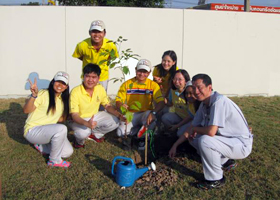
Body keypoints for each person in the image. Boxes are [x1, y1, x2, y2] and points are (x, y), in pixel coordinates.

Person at [169, 74, 253, 190]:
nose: (196, 91)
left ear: (209, 87)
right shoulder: (204, 104)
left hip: (240, 144)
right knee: (194, 138)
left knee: (205, 140)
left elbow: (211, 132)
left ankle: (216, 179)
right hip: (227, 140)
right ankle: (224, 161)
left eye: (199, 87)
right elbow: (192, 127)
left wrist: (194, 129)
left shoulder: (219, 101)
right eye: (194, 88)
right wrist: (175, 145)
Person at [23, 71, 73, 168]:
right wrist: (33, 96)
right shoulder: (43, 94)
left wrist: (74, 116)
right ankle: (54, 161)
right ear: (53, 82)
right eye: (58, 81)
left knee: (68, 152)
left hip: (47, 131)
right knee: (62, 129)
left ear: (66, 87)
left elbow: (59, 119)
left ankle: (41, 146)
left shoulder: (62, 101)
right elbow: (26, 110)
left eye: (63, 83)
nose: (60, 85)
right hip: (32, 131)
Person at [69, 63, 126, 148]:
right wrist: (86, 123)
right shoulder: (75, 91)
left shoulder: (99, 88)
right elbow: (74, 115)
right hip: (79, 119)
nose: (90, 80)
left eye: (94, 77)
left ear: (98, 78)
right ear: (83, 76)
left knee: (115, 121)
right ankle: (79, 142)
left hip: (94, 115)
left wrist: (119, 115)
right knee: (83, 133)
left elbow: (107, 105)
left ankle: (95, 134)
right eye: (88, 76)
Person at [115, 59, 165, 150]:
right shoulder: (127, 84)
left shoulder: (153, 85)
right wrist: (121, 105)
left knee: (151, 119)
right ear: (135, 70)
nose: (142, 74)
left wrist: (153, 113)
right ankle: (136, 132)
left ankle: (143, 139)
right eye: (140, 71)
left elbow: (161, 102)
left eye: (145, 71)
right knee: (120, 132)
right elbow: (118, 100)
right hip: (131, 114)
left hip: (145, 114)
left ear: (149, 73)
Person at [72, 20, 118, 91]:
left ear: (104, 33)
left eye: (99, 32)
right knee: (86, 97)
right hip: (87, 76)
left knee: (101, 99)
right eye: (94, 32)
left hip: (102, 77)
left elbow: (112, 57)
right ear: (89, 33)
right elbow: (79, 56)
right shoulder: (82, 45)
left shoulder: (111, 45)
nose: (96, 35)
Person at [161, 69, 198, 137]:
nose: (176, 82)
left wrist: (178, 125)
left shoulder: (189, 94)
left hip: (189, 119)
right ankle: (171, 132)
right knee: (165, 118)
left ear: (186, 81)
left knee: (180, 133)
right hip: (178, 116)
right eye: (175, 79)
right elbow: (170, 103)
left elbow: (191, 116)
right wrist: (164, 100)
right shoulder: (173, 90)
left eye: (180, 79)